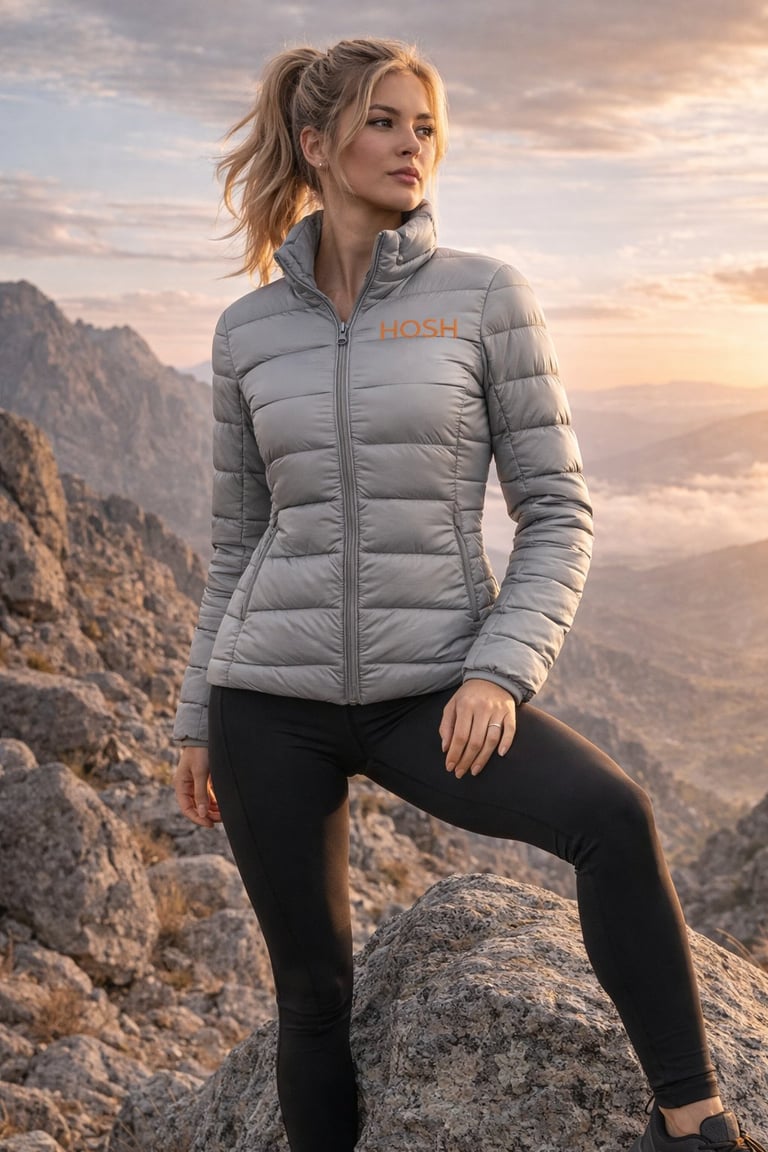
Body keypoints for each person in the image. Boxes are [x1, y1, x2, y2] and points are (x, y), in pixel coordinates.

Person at [172, 37, 765, 1152]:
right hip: (268, 700)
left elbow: (559, 510)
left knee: (614, 819)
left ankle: (695, 1127)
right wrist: (199, 712)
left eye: (426, 124)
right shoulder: (247, 333)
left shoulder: (485, 297)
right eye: (386, 121)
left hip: (429, 691)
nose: (413, 145)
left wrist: (499, 667)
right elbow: (236, 541)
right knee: (312, 995)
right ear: (318, 143)